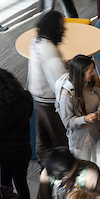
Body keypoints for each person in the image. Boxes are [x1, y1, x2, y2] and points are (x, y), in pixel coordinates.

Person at [56, 54, 100, 195]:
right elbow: (67, 122)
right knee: (83, 173)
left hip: (97, 132)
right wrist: (84, 119)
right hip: (80, 140)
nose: (93, 74)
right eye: (90, 71)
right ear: (81, 72)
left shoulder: (93, 81)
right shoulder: (67, 94)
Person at [0, 68, 34, 199]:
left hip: (2, 153)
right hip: (23, 149)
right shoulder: (26, 96)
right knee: (21, 182)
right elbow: (29, 114)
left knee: (5, 184)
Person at [27, 11, 69, 158]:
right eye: (61, 26)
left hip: (37, 96)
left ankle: (43, 165)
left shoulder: (36, 41)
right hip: (50, 101)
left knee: (42, 136)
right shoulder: (50, 51)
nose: (64, 30)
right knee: (62, 137)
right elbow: (60, 83)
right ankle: (67, 166)